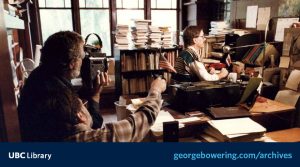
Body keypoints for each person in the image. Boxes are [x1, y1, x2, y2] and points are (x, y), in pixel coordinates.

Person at [18, 31, 106, 141]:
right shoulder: (57, 97)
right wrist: (96, 95)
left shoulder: (39, 74)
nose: (83, 61)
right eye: (82, 57)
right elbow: (93, 130)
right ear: (72, 63)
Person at [65, 77, 166, 142]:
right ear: (80, 115)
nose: (85, 106)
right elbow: (141, 120)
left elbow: (95, 125)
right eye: (83, 105)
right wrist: (156, 89)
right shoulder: (95, 139)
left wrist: (96, 94)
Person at [164, 26, 229, 82]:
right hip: (187, 92)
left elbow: (194, 71)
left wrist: (207, 70)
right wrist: (221, 75)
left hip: (183, 89)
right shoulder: (191, 54)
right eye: (202, 36)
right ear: (195, 40)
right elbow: (206, 78)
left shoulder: (187, 52)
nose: (205, 39)